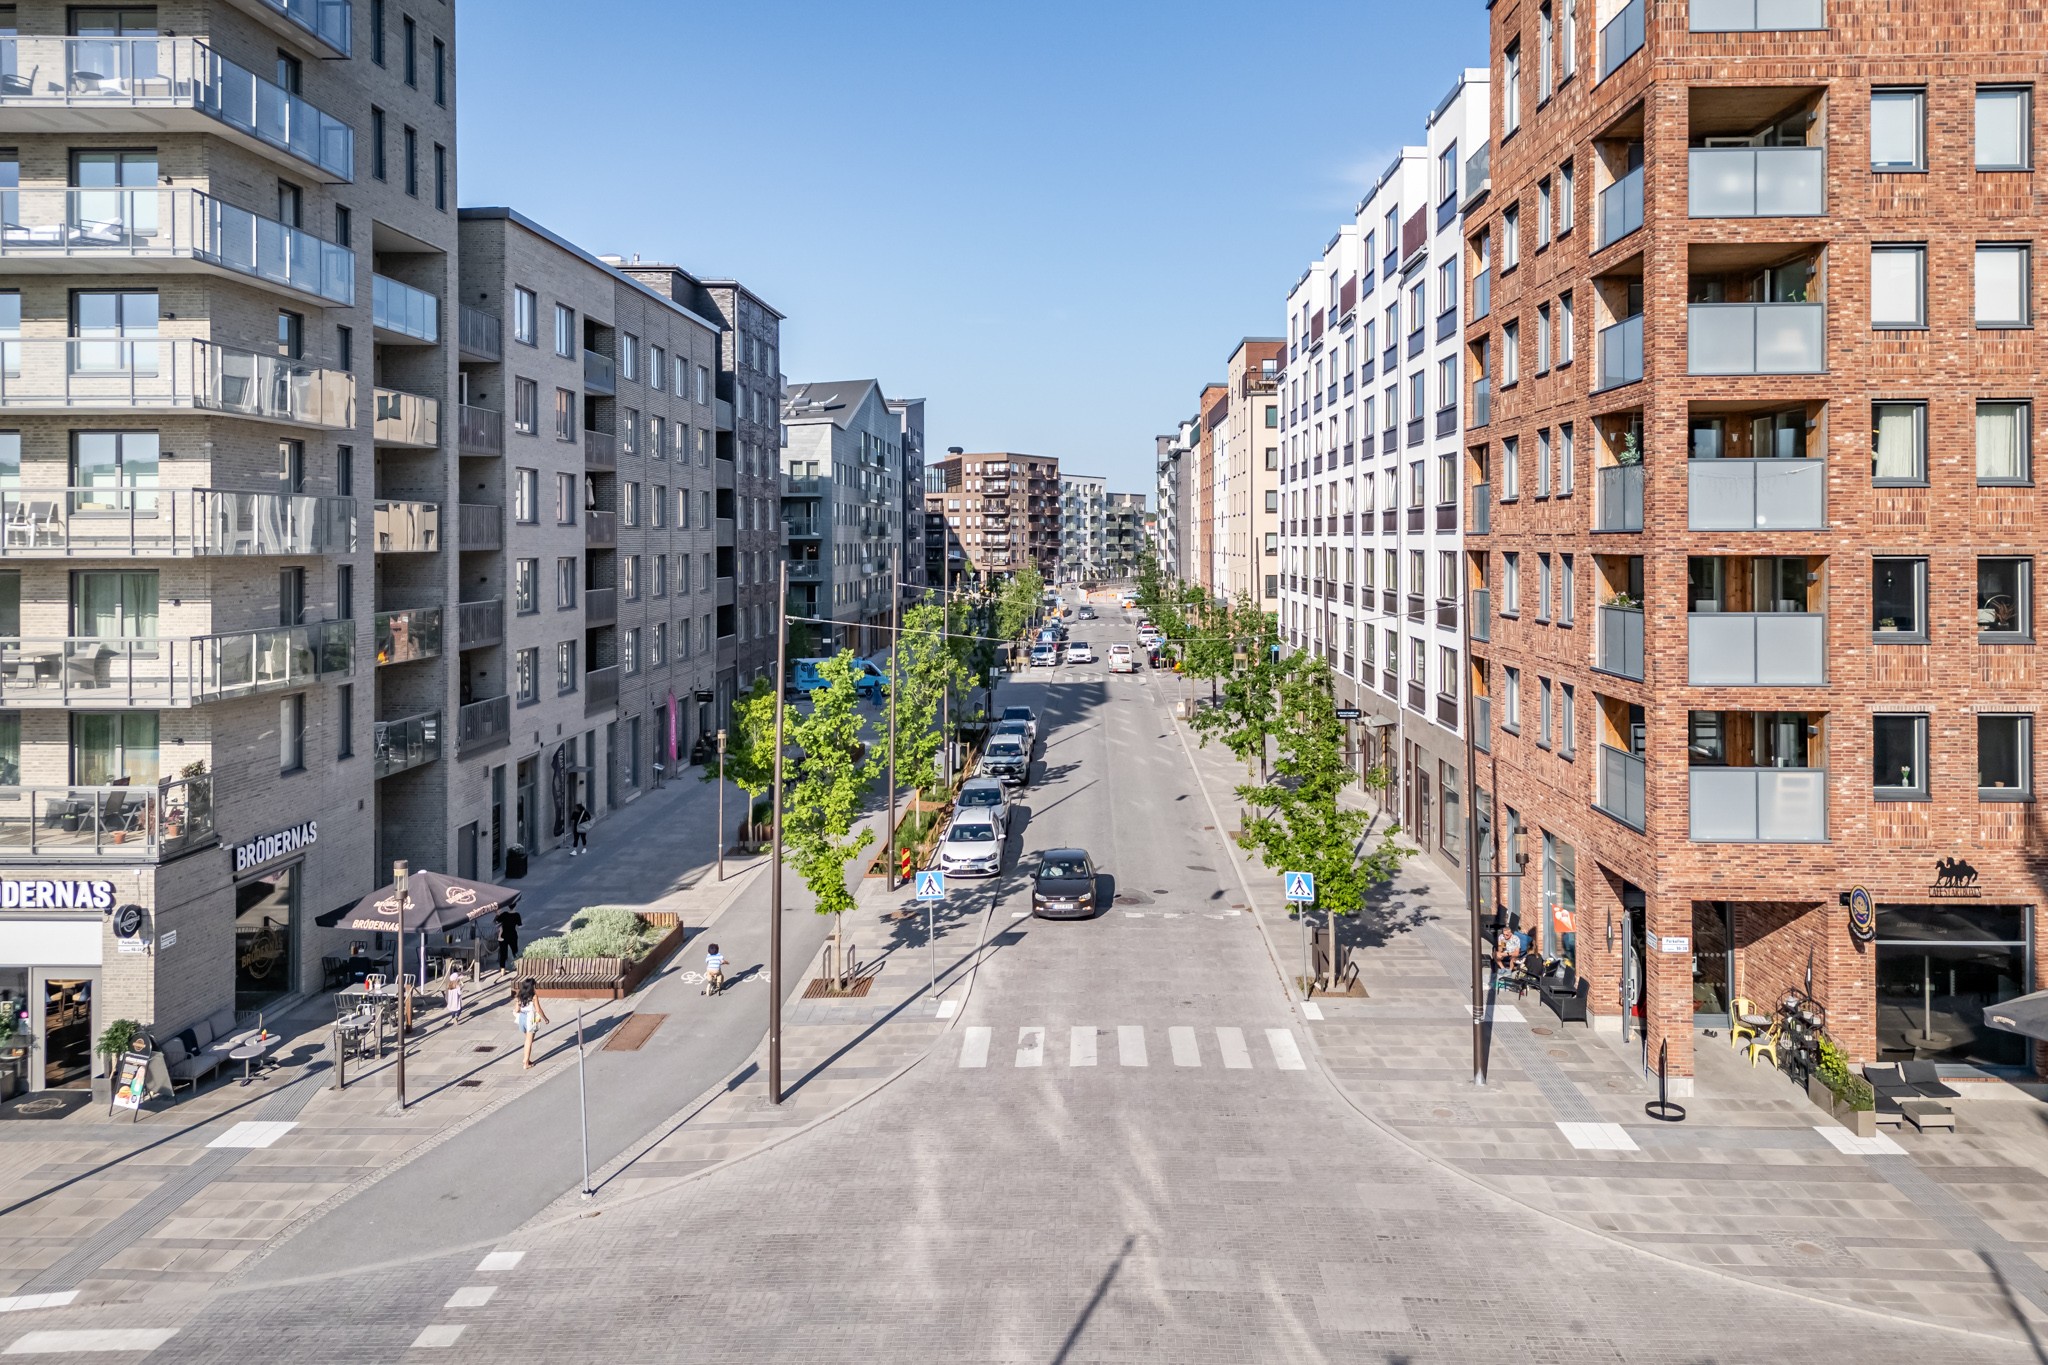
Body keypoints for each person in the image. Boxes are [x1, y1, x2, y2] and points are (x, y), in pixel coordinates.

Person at [514, 977, 550, 1068]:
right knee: (529, 1041)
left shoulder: (519, 996)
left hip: (522, 1018)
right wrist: (545, 1019)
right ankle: (525, 1062)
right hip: (531, 1018)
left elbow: (517, 1010)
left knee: (528, 1040)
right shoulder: (534, 996)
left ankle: (527, 1058)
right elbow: (538, 1010)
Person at [493, 906, 523, 978]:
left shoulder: (504, 914)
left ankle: (502, 970)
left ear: (508, 906)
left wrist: (497, 913)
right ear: (515, 906)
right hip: (513, 935)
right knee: (515, 951)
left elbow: (497, 921)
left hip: (504, 936)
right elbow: (519, 925)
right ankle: (517, 966)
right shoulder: (517, 915)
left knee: (503, 952)